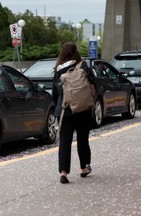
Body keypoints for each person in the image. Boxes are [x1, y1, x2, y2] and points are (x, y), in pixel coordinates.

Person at [52, 42, 95, 184]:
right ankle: (84, 167)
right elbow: (93, 83)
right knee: (83, 139)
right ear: (76, 52)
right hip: (82, 109)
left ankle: (64, 172)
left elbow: (55, 94)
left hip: (64, 110)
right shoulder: (83, 66)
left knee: (65, 142)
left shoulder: (58, 70)